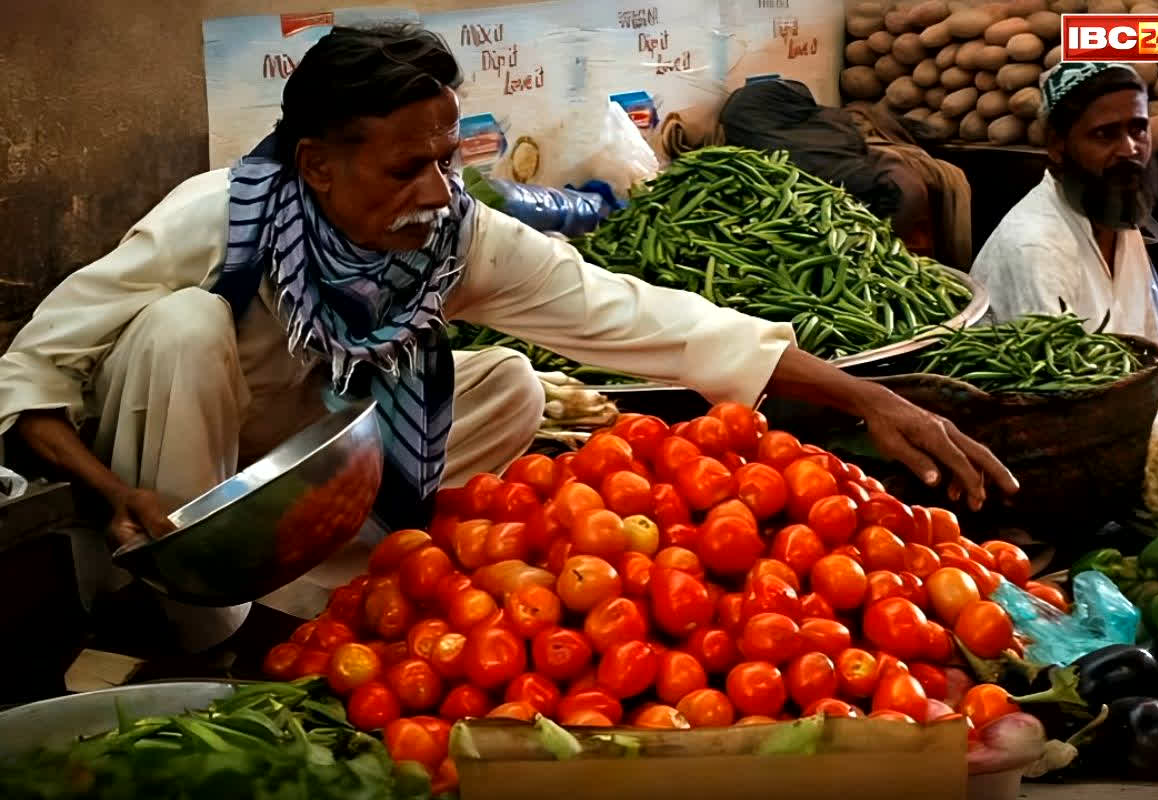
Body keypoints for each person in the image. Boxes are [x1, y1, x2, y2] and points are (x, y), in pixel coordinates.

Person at [0, 25, 1016, 649]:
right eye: (407, 166)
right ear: (314, 164)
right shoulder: (212, 219)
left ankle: (315, 596)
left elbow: (640, 317)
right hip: (166, 486)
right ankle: (198, 633)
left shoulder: (449, 233)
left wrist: (868, 394)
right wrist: (109, 487)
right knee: (180, 329)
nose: (438, 189)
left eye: (446, 157)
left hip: (305, 462)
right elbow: (30, 374)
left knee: (515, 387)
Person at [971, 62, 1158, 348]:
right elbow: (1058, 385)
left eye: (1139, 129)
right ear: (1057, 145)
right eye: (1106, 134)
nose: (1130, 149)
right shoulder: (1035, 247)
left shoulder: (1117, 215)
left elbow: (1149, 350)